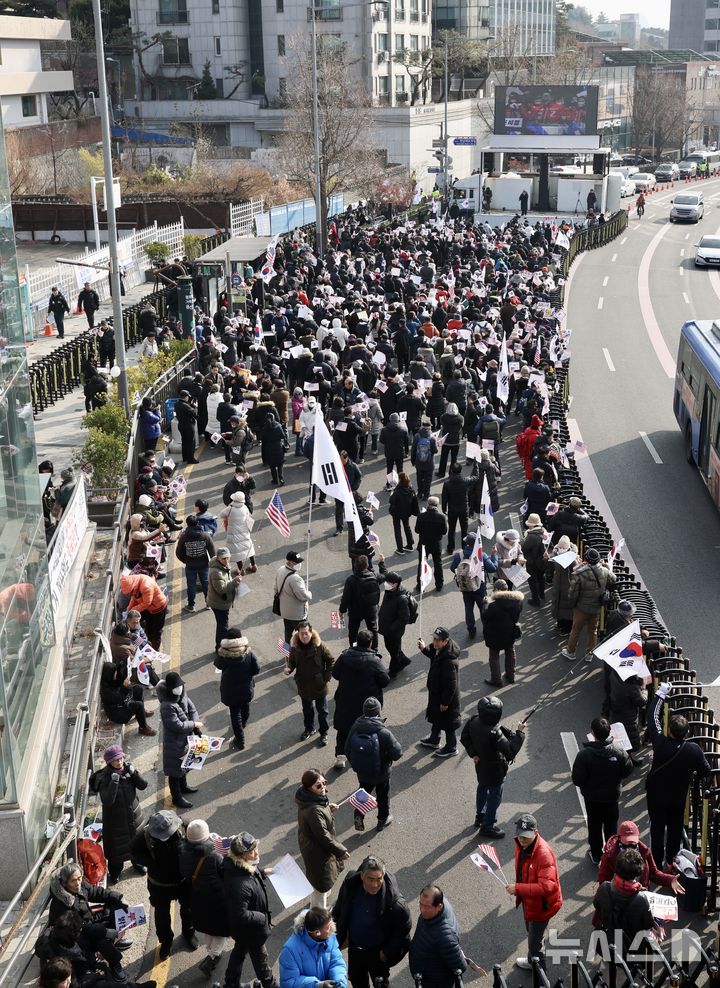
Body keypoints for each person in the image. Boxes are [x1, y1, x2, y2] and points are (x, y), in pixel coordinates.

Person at [645, 685, 711, 868]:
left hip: (656, 795)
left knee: (657, 830)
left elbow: (652, 717)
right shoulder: (694, 751)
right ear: (686, 732)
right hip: (678, 796)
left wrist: (660, 694)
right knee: (675, 829)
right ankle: (672, 861)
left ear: (670, 731)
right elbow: (706, 771)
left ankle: (656, 864)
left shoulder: (660, 743)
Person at [332, 856, 412, 988]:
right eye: (371, 879)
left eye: (379, 879)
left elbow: (403, 930)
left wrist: (385, 953)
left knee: (380, 984)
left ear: (383, 875)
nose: (375, 884)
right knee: (357, 980)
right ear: (361, 876)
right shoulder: (350, 884)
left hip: (377, 954)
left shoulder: (395, 903)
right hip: (355, 950)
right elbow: (339, 910)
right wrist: (333, 939)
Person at [129, 810, 197, 961]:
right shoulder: (144, 836)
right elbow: (133, 852)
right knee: (161, 916)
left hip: (183, 881)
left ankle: (189, 932)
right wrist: (151, 863)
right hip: (159, 885)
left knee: (188, 908)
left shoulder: (184, 824)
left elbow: (197, 843)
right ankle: (166, 941)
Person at [47, 862, 128, 978]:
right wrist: (104, 932)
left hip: (89, 921)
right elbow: (79, 928)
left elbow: (95, 892)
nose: (78, 883)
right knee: (101, 940)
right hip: (75, 936)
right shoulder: (62, 905)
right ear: (65, 883)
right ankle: (115, 963)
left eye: (80, 878)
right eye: (73, 881)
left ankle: (114, 940)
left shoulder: (80, 886)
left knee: (115, 908)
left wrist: (118, 897)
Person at [460, 696, 526, 838]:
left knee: (482, 789)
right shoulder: (495, 733)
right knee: (494, 797)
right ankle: (488, 826)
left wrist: (473, 754)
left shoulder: (473, 720)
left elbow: (464, 737)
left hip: (481, 766)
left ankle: (480, 817)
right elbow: (510, 752)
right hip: (496, 771)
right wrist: (520, 733)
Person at [571, 717, 633, 865]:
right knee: (611, 825)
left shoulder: (584, 755)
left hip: (592, 798)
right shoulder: (619, 751)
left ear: (593, 733)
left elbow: (577, 780)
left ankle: (597, 854)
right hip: (612, 797)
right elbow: (627, 770)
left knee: (594, 825)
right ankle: (611, 854)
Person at [505, 814, 562, 971]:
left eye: (526, 837)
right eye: (520, 835)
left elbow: (547, 887)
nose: (522, 840)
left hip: (541, 906)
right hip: (530, 901)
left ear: (536, 832)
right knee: (532, 934)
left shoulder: (544, 854)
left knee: (535, 944)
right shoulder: (521, 844)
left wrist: (518, 888)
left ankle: (539, 973)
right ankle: (533, 962)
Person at [222, 832, 279, 988]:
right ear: (241, 856)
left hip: (242, 932)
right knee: (262, 963)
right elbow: (240, 915)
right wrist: (262, 918)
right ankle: (270, 984)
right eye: (252, 851)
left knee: (239, 950)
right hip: (251, 931)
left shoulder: (237, 866)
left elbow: (250, 874)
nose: (256, 852)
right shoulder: (240, 885)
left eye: (256, 848)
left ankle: (231, 983)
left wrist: (262, 872)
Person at [331, 629, 390, 771]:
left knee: (343, 729)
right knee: (369, 730)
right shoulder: (374, 661)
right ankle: (365, 754)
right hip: (367, 704)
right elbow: (385, 681)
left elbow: (335, 673)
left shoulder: (345, 657)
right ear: (370, 643)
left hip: (345, 700)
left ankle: (340, 757)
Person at [89, 744, 148, 884]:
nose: (119, 761)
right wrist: (114, 782)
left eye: (120, 758)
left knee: (136, 845)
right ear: (109, 761)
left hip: (133, 816)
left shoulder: (128, 770)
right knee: (117, 852)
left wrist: (135, 774)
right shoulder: (104, 777)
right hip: (115, 822)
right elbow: (107, 800)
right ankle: (115, 873)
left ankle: (138, 864)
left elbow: (143, 785)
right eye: (115, 760)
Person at [179, 819, 230, 980]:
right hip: (217, 901)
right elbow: (226, 875)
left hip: (197, 899)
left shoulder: (183, 854)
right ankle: (212, 958)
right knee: (221, 931)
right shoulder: (214, 857)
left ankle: (209, 949)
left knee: (208, 927)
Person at [346, 697, 402, 832]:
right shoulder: (383, 733)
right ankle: (383, 819)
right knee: (383, 795)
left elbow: (347, 749)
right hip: (381, 773)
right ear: (379, 711)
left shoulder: (355, 727)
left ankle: (359, 814)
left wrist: (356, 764)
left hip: (363, 773)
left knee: (363, 792)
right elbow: (397, 753)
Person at [295, 769, 350, 909]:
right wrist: (341, 850)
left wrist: (327, 809)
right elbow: (323, 836)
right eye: (318, 786)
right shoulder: (314, 809)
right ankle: (318, 911)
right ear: (309, 788)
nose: (323, 788)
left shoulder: (311, 800)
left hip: (314, 845)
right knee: (321, 884)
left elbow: (317, 820)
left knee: (323, 878)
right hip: (317, 850)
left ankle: (323, 898)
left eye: (324, 783)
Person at [592, 848, 657, 955]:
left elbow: (597, 905)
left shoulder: (604, 887)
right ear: (637, 873)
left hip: (606, 940)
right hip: (631, 947)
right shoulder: (641, 899)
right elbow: (647, 924)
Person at [598, 819, 685, 893]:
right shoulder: (609, 856)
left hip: (641, 894)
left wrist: (669, 880)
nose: (630, 844)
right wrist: (631, 889)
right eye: (627, 842)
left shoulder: (645, 851)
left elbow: (654, 873)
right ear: (620, 839)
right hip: (620, 900)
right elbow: (604, 884)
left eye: (633, 841)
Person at [561, 547, 616, 662]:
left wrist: (572, 605)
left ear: (586, 559)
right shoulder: (605, 571)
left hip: (581, 607)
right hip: (596, 607)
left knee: (576, 629)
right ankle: (589, 653)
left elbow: (573, 593)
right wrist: (606, 566)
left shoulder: (579, 573)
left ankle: (571, 652)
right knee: (593, 630)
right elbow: (613, 579)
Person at [157, 671, 203, 809]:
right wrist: (193, 725)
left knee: (183, 765)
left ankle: (183, 787)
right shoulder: (166, 706)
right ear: (170, 689)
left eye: (181, 686)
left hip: (185, 739)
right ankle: (176, 798)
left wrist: (195, 722)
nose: (180, 689)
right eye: (177, 687)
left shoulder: (182, 695)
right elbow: (177, 725)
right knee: (174, 772)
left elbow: (192, 708)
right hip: (174, 742)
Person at [408, 885, 468, 988]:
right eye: (420, 904)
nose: (422, 910)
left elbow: (460, 966)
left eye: (426, 906)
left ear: (439, 906)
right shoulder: (432, 913)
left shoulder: (444, 937)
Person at [286, 620, 335, 744]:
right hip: (303, 685)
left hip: (319, 685)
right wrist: (289, 668)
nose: (304, 636)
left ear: (311, 633)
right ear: (298, 634)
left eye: (306, 633)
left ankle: (324, 733)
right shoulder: (295, 647)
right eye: (301, 633)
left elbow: (331, 661)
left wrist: (326, 678)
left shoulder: (320, 646)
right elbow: (291, 661)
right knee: (307, 711)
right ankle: (309, 729)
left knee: (323, 712)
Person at [417, 627, 461, 758]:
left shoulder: (448, 661)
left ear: (445, 641)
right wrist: (424, 649)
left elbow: (451, 684)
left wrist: (445, 702)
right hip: (437, 694)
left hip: (445, 698)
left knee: (449, 724)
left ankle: (451, 747)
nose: (434, 642)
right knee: (437, 717)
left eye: (437, 640)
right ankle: (434, 739)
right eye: (433, 639)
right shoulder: (440, 650)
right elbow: (433, 655)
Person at [214, 628, 260, 751]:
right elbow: (256, 669)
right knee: (245, 707)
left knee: (235, 714)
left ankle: (240, 740)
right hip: (246, 688)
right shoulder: (248, 653)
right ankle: (243, 723)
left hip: (230, 690)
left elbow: (217, 664)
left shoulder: (223, 654)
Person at [279, 907, 347, 988]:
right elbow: (289, 983)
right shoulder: (289, 951)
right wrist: (317, 985)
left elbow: (337, 962)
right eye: (328, 927)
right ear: (316, 933)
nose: (332, 929)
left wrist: (339, 981)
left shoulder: (330, 937)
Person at [482, 579, 523, 687]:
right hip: (510, 632)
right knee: (510, 652)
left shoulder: (494, 605)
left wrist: (485, 605)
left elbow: (485, 616)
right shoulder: (517, 601)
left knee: (494, 656)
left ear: (496, 589)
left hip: (494, 634)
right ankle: (511, 676)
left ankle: (496, 679)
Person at [99, 663, 156, 737]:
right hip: (117, 713)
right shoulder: (106, 691)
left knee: (138, 688)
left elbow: (120, 683)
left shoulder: (111, 680)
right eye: (114, 672)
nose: (116, 674)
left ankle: (141, 712)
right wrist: (125, 687)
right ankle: (143, 727)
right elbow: (120, 698)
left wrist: (126, 680)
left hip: (122, 703)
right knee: (138, 705)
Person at [339, 555, 381, 650]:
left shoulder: (351, 580)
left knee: (353, 632)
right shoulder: (374, 575)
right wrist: (382, 564)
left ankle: (353, 648)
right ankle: (374, 649)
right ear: (367, 565)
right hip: (370, 609)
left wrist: (342, 610)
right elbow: (384, 576)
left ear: (355, 565)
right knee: (373, 629)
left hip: (355, 610)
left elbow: (345, 598)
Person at [175, 514, 215, 613]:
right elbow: (212, 550)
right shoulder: (205, 535)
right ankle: (208, 603)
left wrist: (185, 560)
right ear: (198, 523)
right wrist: (212, 562)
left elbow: (179, 552)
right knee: (206, 583)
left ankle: (191, 605)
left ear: (187, 524)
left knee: (191, 585)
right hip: (204, 564)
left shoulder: (184, 537)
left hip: (190, 565)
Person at [378, 571, 413, 679]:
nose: (386, 584)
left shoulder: (401, 599)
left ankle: (393, 671)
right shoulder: (390, 591)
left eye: (389, 582)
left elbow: (404, 618)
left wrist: (391, 628)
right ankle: (404, 661)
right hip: (386, 627)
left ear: (396, 584)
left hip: (393, 631)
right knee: (391, 648)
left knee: (394, 652)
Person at [208, 547, 243, 652]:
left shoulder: (223, 566)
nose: (227, 560)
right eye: (224, 558)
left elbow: (226, 580)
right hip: (219, 604)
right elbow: (221, 589)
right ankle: (220, 648)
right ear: (218, 558)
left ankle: (219, 646)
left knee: (222, 625)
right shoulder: (216, 572)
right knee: (223, 627)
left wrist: (233, 580)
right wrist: (235, 582)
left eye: (228, 558)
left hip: (222, 602)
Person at [275, 550, 313, 644]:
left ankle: (288, 654)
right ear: (290, 562)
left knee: (288, 633)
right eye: (297, 562)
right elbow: (303, 596)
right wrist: (309, 593)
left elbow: (275, 588)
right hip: (297, 615)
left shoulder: (280, 569)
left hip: (285, 611)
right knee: (302, 636)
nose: (299, 564)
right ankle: (299, 655)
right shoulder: (295, 579)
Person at [414, 496, 447, 593]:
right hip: (436, 544)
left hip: (424, 544)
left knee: (422, 564)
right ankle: (439, 585)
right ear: (437, 505)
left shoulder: (421, 516)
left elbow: (417, 530)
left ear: (428, 504)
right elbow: (444, 531)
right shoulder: (441, 517)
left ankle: (420, 585)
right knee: (438, 564)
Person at [220, 491, 257, 575]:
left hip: (234, 532)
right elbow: (248, 517)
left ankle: (241, 570)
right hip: (244, 530)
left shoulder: (230, 508)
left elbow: (222, 514)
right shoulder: (245, 507)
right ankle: (254, 565)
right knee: (248, 546)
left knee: (237, 550)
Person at [441, 464, 471, 554]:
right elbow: (475, 477)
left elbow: (444, 498)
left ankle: (450, 548)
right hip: (463, 509)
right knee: (464, 530)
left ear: (451, 471)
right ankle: (464, 548)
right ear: (461, 471)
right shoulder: (465, 481)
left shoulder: (447, 483)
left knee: (451, 530)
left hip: (452, 509)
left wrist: (444, 508)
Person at [388, 473, 418, 554]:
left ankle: (400, 548)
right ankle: (410, 545)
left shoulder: (397, 491)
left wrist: (392, 493)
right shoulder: (411, 489)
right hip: (406, 512)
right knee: (407, 527)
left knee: (397, 529)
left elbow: (391, 501)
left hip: (396, 512)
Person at [411, 419, 438, 501]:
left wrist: (413, 461)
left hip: (419, 462)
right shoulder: (432, 438)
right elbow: (435, 451)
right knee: (428, 479)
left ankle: (419, 493)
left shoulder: (417, 436)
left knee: (419, 478)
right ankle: (426, 494)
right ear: (430, 427)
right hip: (429, 463)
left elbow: (413, 450)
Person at [175, 390, 199, 464]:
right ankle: (191, 459)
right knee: (191, 443)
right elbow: (194, 414)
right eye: (188, 396)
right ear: (185, 397)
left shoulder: (177, 404)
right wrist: (195, 407)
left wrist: (190, 405)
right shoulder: (185, 406)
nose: (188, 398)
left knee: (184, 442)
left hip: (181, 425)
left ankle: (185, 457)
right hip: (188, 425)